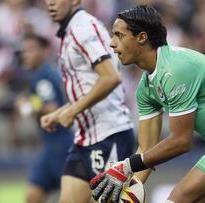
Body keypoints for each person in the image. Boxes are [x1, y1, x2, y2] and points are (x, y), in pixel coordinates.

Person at [90, 5, 205, 203]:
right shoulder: (145, 88)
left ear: (141, 37)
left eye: (119, 35)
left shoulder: (174, 70)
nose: (112, 44)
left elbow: (180, 141)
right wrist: (133, 184)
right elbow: (147, 147)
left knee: (178, 199)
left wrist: (126, 167)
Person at [42, 0, 135, 202]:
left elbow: (110, 78)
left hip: (109, 135)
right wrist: (61, 112)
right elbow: (93, 85)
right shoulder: (73, 30)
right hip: (85, 139)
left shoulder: (82, 28)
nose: (50, 3)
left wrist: (73, 111)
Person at [18, 34, 73, 203]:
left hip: (60, 146)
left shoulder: (41, 76)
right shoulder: (47, 73)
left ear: (43, 52)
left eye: (31, 50)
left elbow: (52, 107)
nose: (25, 55)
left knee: (76, 197)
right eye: (24, 51)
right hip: (52, 146)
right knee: (33, 195)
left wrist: (26, 107)